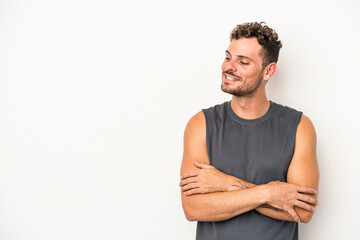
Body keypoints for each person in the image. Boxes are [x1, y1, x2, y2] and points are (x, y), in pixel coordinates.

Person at [179, 22, 319, 240]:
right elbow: (193, 208)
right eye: (228, 57)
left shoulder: (299, 126)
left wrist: (224, 183)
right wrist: (269, 193)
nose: (229, 67)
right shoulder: (201, 124)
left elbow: (302, 211)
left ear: (268, 71)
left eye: (243, 61)